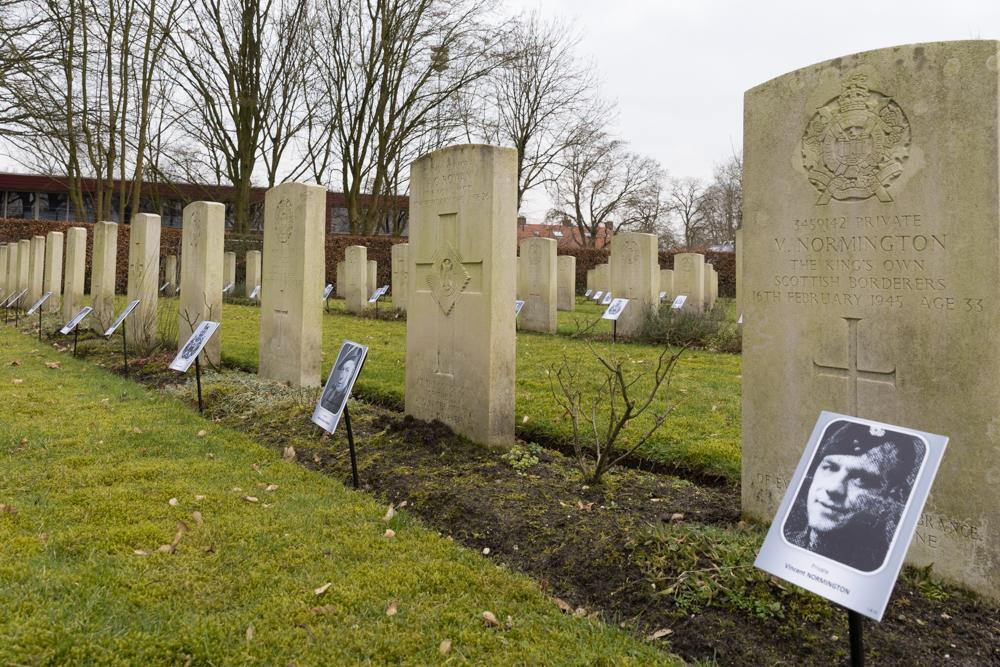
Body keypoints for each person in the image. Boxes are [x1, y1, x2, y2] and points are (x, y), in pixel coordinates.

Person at [782, 420, 924, 572]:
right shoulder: (788, 545)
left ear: (893, 497)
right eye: (830, 467)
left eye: (862, 479)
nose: (833, 488)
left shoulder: (877, 568)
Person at [320, 345, 365, 415]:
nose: (341, 376)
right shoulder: (331, 389)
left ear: (352, 373)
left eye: (347, 370)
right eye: (342, 369)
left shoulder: (342, 394)